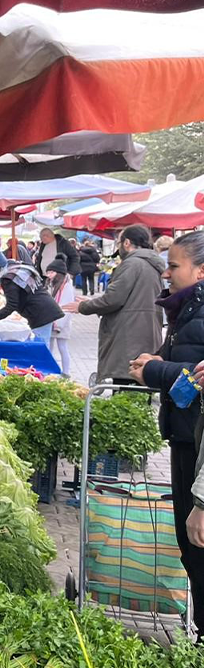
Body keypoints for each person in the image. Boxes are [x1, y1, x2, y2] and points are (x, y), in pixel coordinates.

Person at [130, 231, 204, 634]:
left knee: (196, 540)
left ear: (200, 270)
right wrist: (161, 359)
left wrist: (154, 370)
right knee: (191, 543)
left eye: (174, 266)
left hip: (196, 442)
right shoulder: (189, 308)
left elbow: (197, 377)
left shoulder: (199, 309)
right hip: (186, 437)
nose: (167, 273)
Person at [64, 224, 165, 383]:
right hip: (146, 333)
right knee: (140, 386)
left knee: (126, 386)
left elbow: (113, 299)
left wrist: (83, 307)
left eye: (119, 243)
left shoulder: (133, 263)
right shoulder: (153, 264)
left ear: (126, 243)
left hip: (128, 337)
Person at [0, 260, 63, 342]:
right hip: (43, 310)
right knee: (42, 345)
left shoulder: (7, 278)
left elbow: (11, 305)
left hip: (42, 314)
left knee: (41, 348)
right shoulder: (13, 270)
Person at [44, 256, 74, 377]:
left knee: (62, 346)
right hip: (52, 319)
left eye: (51, 272)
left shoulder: (66, 286)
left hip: (61, 321)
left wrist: (58, 324)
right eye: (48, 272)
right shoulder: (53, 283)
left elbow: (65, 307)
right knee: (49, 346)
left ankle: (66, 372)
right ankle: (49, 368)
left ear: (59, 273)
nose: (49, 275)